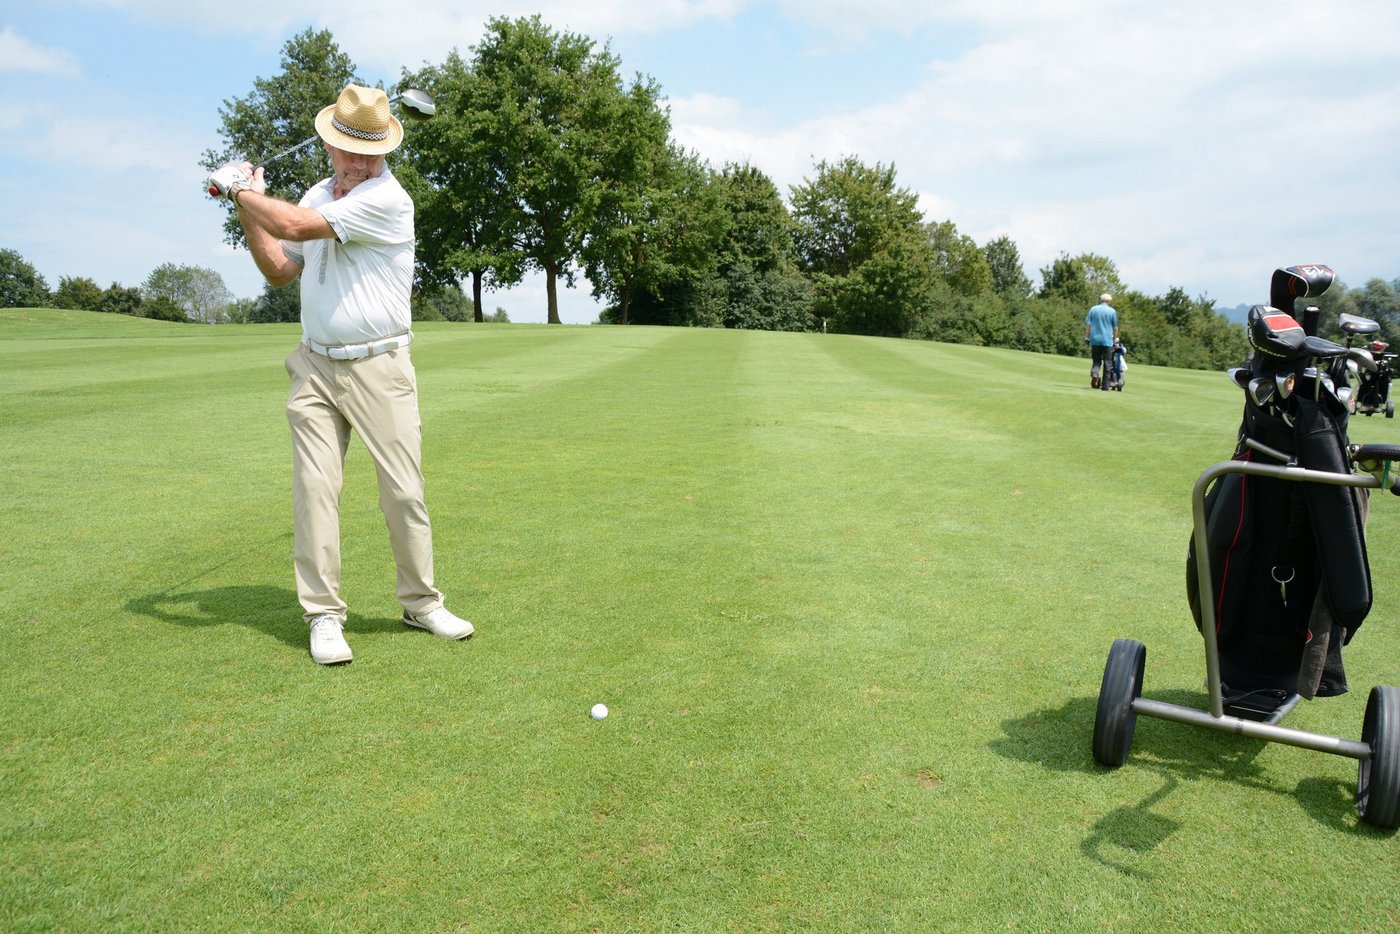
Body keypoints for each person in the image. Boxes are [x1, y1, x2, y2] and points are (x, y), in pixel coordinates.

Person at [209, 85, 473, 665]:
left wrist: (241, 190)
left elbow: (295, 227)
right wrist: (246, 206)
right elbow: (279, 268)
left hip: (380, 366)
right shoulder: (316, 195)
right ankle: (324, 615)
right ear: (329, 146)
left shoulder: (388, 199)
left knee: (403, 493)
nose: (360, 162)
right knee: (315, 492)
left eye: (371, 152)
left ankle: (421, 603)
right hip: (314, 366)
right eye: (350, 150)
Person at [1084, 293, 1119, 391]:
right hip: (1107, 341)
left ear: (1100, 300)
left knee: (1096, 360)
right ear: (1109, 301)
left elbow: (1088, 324)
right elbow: (1115, 327)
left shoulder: (1093, 309)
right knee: (1108, 363)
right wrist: (1114, 339)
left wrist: (1087, 336)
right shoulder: (1112, 311)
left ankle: (1095, 373)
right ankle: (1105, 385)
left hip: (1095, 340)